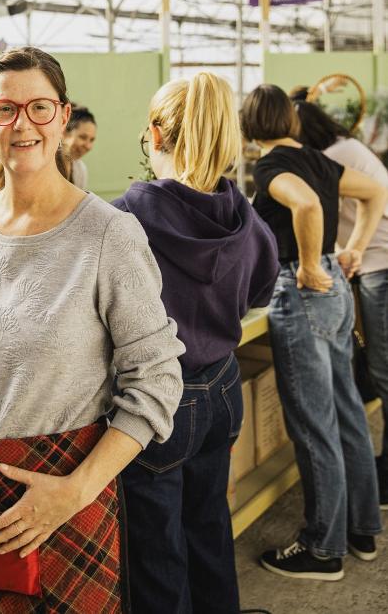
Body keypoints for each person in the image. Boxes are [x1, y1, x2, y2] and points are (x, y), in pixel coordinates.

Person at [0, 46, 184, 612]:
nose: (21, 123)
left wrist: (76, 491)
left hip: (62, 503)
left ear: (62, 113)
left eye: (39, 108)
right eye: (5, 109)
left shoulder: (108, 236)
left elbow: (156, 382)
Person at [112, 74, 279, 614]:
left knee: (158, 550)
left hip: (154, 403)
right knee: (209, 527)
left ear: (155, 135)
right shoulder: (248, 220)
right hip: (222, 388)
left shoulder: (122, 221)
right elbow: (259, 290)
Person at [241, 84, 385, 580]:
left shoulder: (270, 166)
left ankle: (323, 549)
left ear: (250, 125)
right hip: (335, 288)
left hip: (303, 292)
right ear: (292, 120)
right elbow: (375, 191)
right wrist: (353, 250)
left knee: (314, 424)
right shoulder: (319, 159)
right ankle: (361, 528)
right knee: (346, 412)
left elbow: (304, 207)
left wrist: (305, 265)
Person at [294, 97, 388, 509]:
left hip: (380, 266)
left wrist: (353, 249)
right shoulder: (346, 148)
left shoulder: (330, 157)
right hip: (374, 265)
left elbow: (315, 213)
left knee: (384, 374)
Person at [61, 104, 97, 189]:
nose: (88, 146)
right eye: (83, 137)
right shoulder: (43, 165)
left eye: (92, 140)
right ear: (64, 133)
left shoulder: (80, 169)